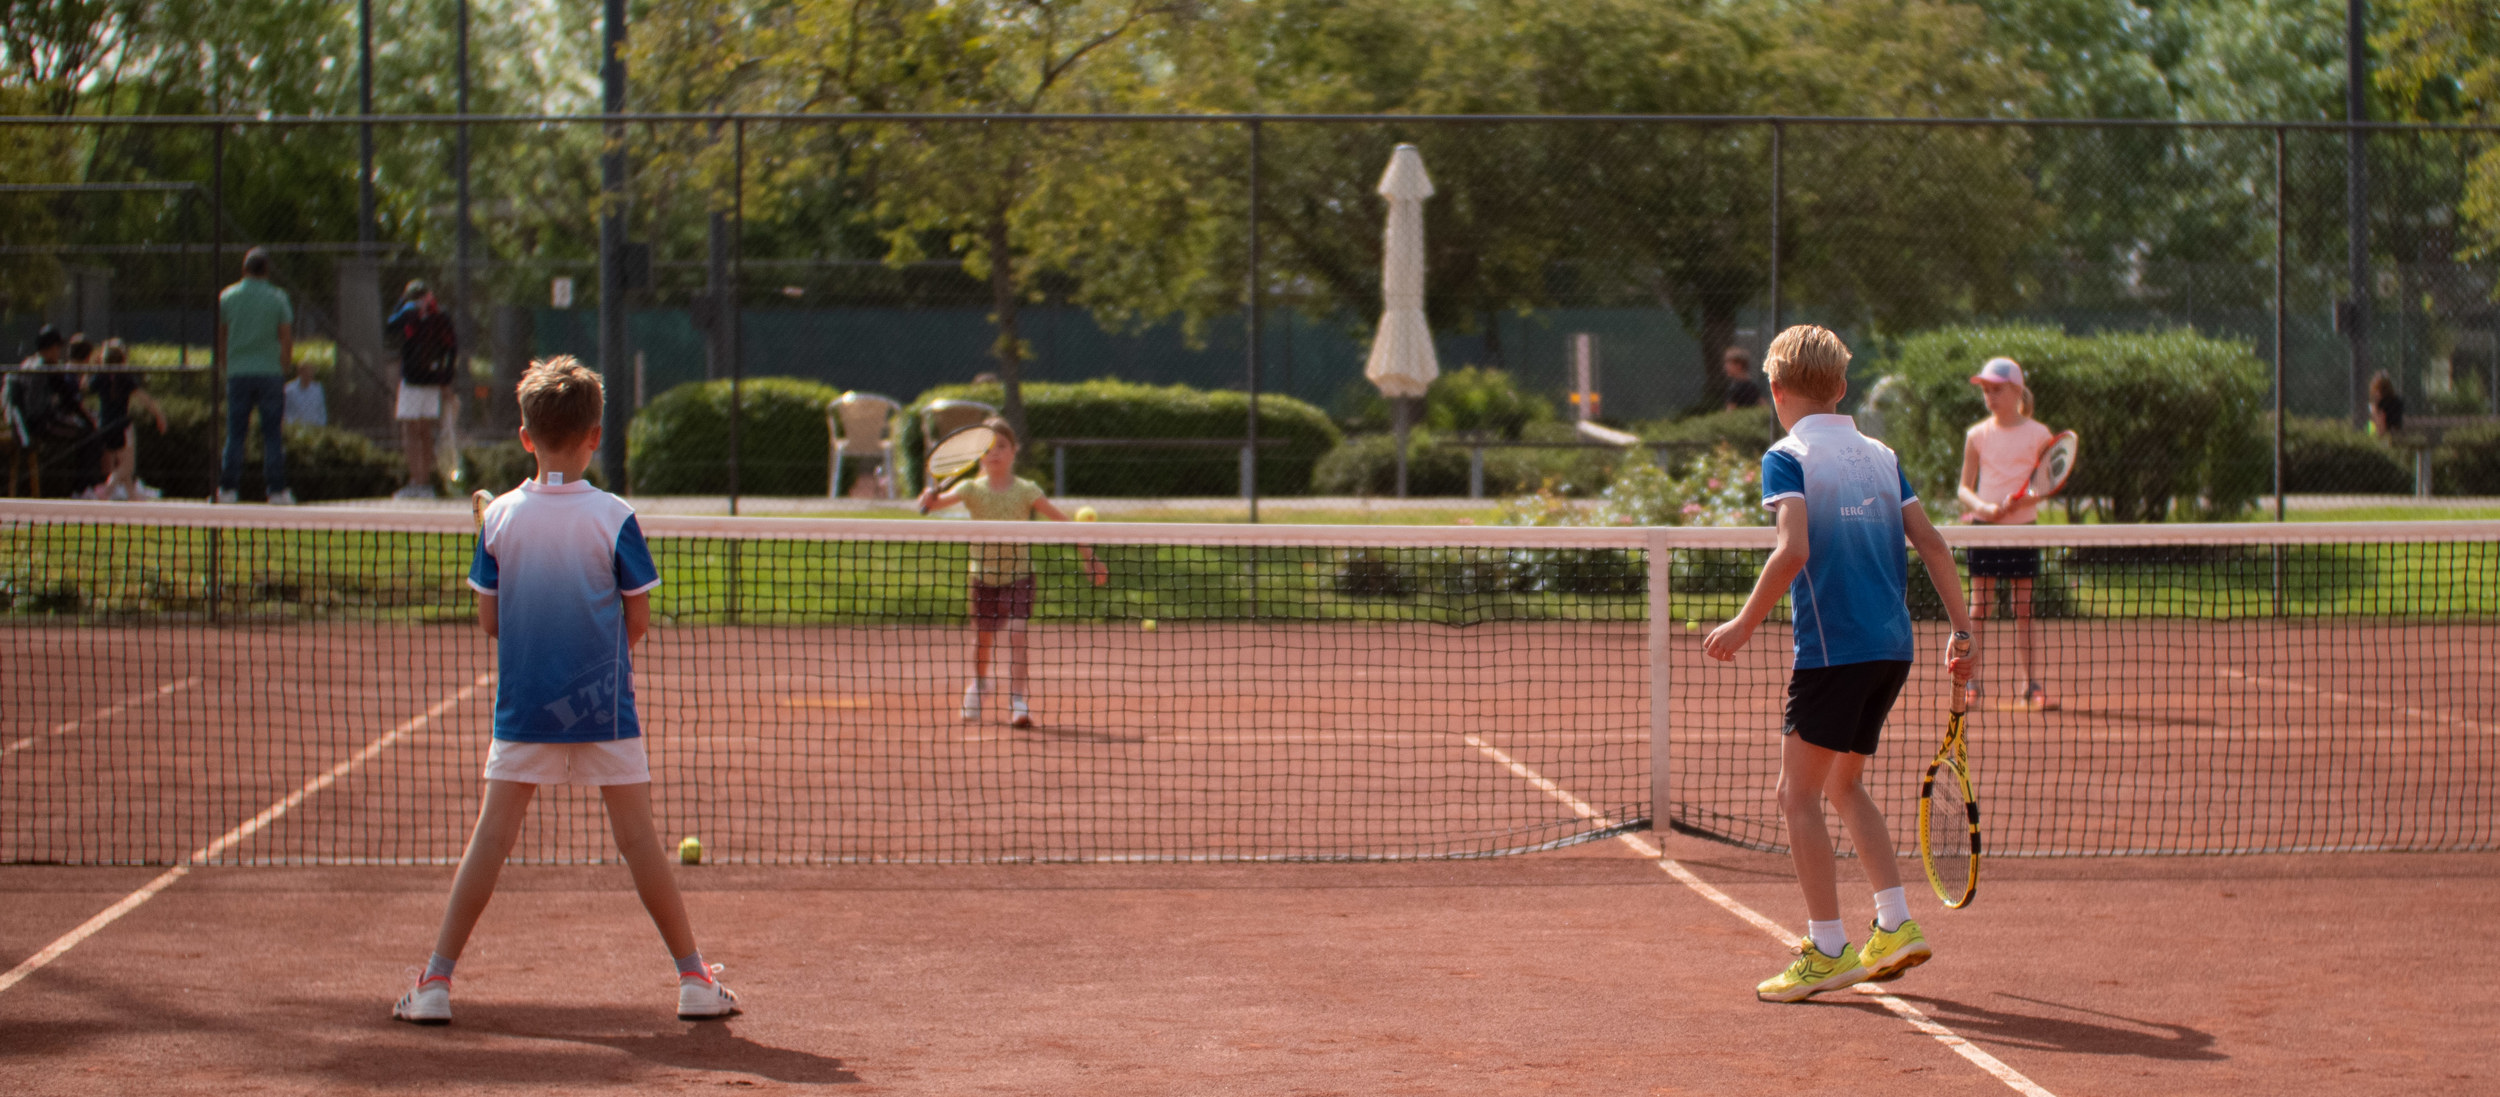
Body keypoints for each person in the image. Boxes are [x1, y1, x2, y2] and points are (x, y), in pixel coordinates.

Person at [394, 356, 739, 1026]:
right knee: (639, 840)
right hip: (604, 708)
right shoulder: (615, 516)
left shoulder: (498, 519)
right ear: (595, 436)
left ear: (526, 436)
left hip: (525, 711)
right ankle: (694, 978)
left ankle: (434, 981)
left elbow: (491, 621)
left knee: (491, 839)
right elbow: (637, 619)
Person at [1701, 324, 1977, 1003]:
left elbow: (1793, 548)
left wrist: (1743, 623)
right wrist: (1963, 632)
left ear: (1775, 389)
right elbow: (1933, 543)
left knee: (1795, 795)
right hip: (1892, 649)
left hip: (1833, 653)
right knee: (1844, 785)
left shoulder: (1787, 455)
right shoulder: (1880, 455)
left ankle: (1827, 948)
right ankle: (1895, 924)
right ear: (1843, 387)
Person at [917, 417, 1108, 728]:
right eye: (988, 448)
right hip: (983, 577)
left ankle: (1018, 701)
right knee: (983, 639)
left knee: (1018, 634)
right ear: (979, 456)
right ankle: (979, 685)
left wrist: (1090, 556)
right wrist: (927, 497)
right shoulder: (970, 488)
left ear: (1014, 450)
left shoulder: (1026, 491)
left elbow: (1063, 522)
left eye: (1002, 446)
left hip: (1020, 575)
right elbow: (934, 504)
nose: (995, 453)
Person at [1955, 356, 2057, 712]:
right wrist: (1984, 508)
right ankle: (1971, 684)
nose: (1990, 397)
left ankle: (2031, 685)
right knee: (1979, 607)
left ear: (2017, 390)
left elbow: (2045, 485)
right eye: (1986, 390)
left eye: (1996, 390)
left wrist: (2024, 501)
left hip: (2022, 531)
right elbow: (1964, 489)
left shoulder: (2039, 434)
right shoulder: (1977, 435)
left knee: (2024, 608)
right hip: (1983, 532)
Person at [217, 248, 295, 504]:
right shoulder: (278, 298)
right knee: (272, 434)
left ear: (244, 269)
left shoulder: (228, 297)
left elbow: (221, 336)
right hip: (270, 372)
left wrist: (225, 365)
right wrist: (284, 365)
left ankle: (228, 489)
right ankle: (276, 490)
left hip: (238, 372)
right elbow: (285, 336)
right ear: (267, 270)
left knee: (236, 433)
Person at [388, 280, 460, 500]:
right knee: (424, 430)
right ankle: (423, 482)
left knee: (412, 430)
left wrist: (401, 302)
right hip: (431, 380)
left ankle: (418, 481)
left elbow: (390, 326)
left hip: (413, 380)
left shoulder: (410, 312)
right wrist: (445, 379)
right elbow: (452, 349)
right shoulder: (439, 315)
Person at [85, 339, 167, 501]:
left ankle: (132, 496)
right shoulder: (125, 378)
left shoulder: (100, 377)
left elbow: (85, 386)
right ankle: (108, 488)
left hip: (105, 424)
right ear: (123, 360)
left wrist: (93, 366)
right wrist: (159, 415)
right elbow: (145, 399)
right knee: (127, 466)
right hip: (121, 425)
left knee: (120, 464)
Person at [283, 359, 327, 428]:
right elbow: (285, 411)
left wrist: (321, 425)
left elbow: (321, 410)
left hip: (315, 428)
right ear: (300, 372)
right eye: (307, 371)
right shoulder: (289, 389)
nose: (310, 374)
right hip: (295, 428)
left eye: (312, 371)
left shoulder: (318, 388)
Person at [1721, 346, 1763, 411]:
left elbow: (1730, 411)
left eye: (1729, 364)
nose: (1725, 367)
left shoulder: (1734, 388)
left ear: (1739, 365)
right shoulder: (1753, 385)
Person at [2369, 371, 2405, 437]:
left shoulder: (2382, 404)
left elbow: (2379, 423)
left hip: (2386, 430)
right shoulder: (2397, 401)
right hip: (2390, 429)